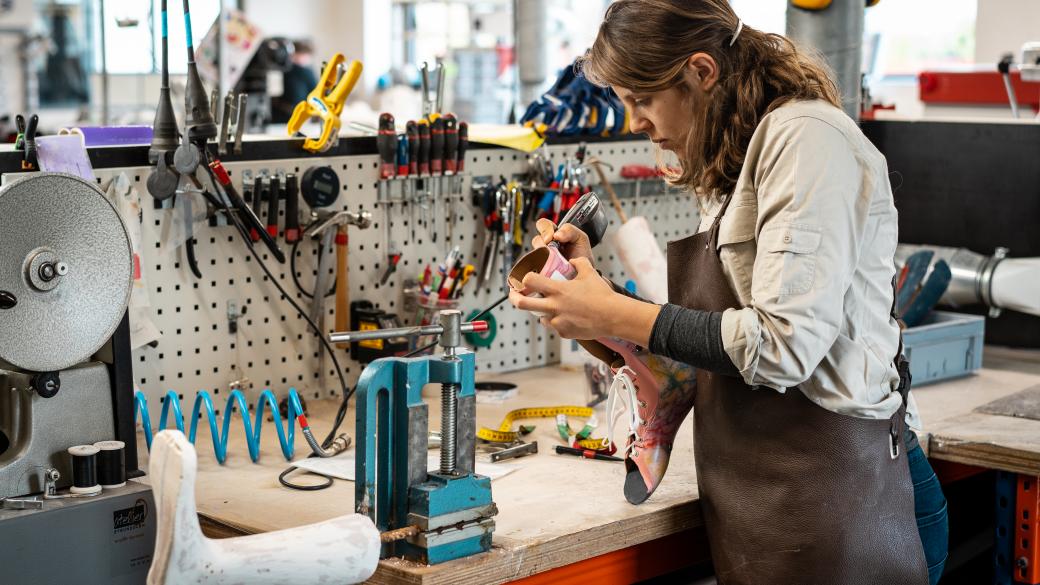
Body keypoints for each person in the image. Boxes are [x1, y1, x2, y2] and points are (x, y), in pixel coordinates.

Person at [508, 1, 948, 584]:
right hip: (768, 499)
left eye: (641, 98)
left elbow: (783, 347)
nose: (633, 122)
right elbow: (712, 345)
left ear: (701, 71)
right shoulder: (731, 153)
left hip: (852, 498)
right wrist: (592, 305)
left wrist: (620, 311)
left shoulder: (806, 141)